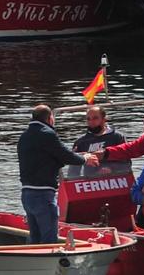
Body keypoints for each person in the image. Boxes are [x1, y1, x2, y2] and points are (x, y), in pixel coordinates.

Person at [17, 104, 95, 244]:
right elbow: (64, 155)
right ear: (50, 118)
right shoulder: (47, 133)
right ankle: (47, 265)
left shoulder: (24, 136)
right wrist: (85, 159)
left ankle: (33, 264)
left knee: (35, 238)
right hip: (43, 195)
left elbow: (44, 159)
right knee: (49, 240)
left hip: (27, 194)